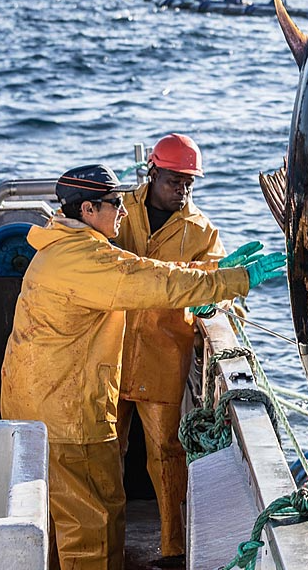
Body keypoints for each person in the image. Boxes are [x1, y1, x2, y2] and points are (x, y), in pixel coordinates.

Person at [0, 163, 281, 570]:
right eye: (114, 203)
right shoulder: (87, 259)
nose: (122, 210)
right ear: (87, 209)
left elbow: (146, 271)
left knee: (58, 523)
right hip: (69, 417)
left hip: (36, 407)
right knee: (92, 527)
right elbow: (154, 282)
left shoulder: (62, 247)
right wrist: (234, 280)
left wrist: (213, 270)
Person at [114, 134, 223, 565]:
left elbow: (217, 284)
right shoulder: (119, 212)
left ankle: (173, 548)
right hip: (109, 354)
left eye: (189, 184)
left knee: (166, 455)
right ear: (153, 173)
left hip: (162, 356)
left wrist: (218, 303)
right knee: (103, 452)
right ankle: (105, 543)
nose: (182, 191)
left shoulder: (202, 231)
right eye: (174, 181)